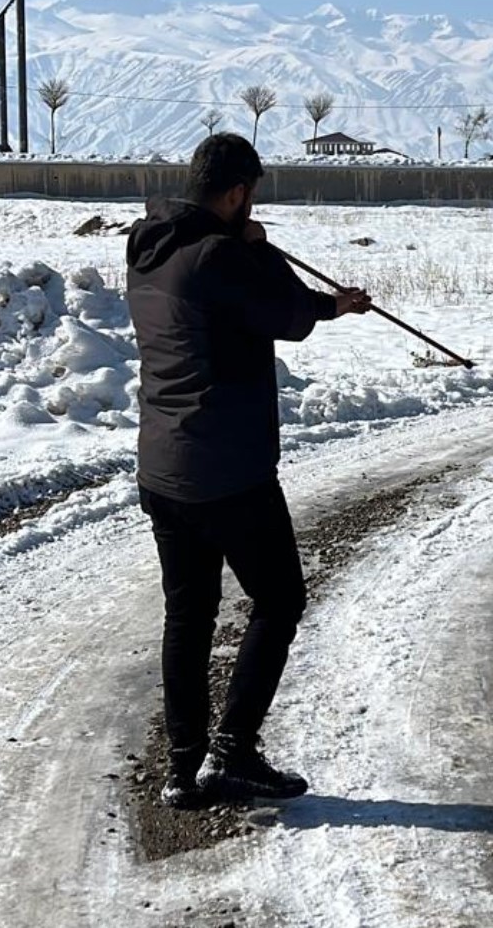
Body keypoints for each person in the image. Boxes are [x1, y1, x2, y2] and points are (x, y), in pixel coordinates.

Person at [125, 133, 370, 808]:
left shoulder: (149, 246)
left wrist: (325, 300)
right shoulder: (219, 256)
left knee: (190, 614)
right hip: (227, 471)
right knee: (281, 598)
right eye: (250, 194)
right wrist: (259, 253)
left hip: (163, 468)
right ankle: (231, 752)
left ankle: (183, 770)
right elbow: (286, 316)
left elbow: (263, 307)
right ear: (236, 193)